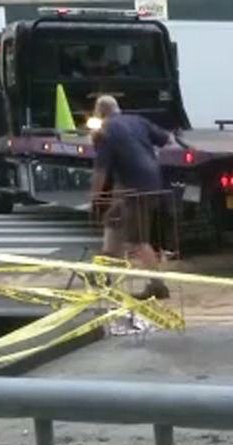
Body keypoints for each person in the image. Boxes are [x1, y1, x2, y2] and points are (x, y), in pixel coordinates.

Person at [90, 95, 172, 299]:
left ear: (100, 113)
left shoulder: (105, 131)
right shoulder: (138, 121)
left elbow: (101, 171)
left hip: (136, 190)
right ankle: (105, 272)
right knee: (113, 221)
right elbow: (166, 140)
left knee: (137, 240)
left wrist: (95, 197)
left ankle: (157, 286)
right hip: (150, 183)